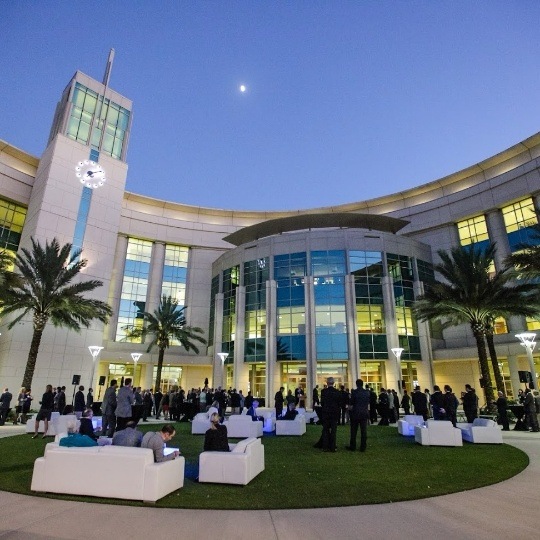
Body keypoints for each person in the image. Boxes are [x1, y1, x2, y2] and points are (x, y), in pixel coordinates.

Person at [317, 377, 341, 452]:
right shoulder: (337, 392)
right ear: (333, 383)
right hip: (334, 413)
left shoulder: (324, 391)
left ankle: (325, 446)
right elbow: (339, 403)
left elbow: (322, 403)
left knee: (325, 430)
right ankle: (333, 447)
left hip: (326, 413)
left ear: (327, 383)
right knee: (333, 430)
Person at [347, 378, 370, 452]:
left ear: (356, 384)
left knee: (353, 431)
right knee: (363, 431)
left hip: (355, 413)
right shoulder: (367, 392)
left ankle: (352, 446)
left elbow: (351, 403)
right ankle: (363, 447)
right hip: (364, 413)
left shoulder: (354, 392)